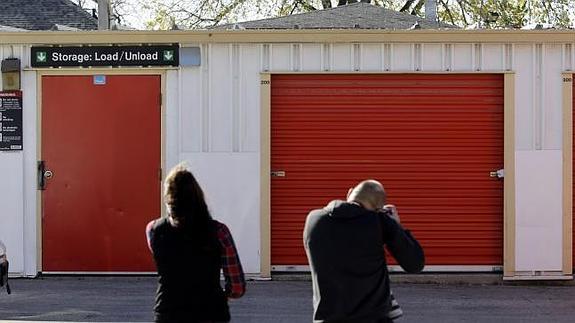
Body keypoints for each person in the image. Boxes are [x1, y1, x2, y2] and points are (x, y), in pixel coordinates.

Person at [303, 179, 425, 323]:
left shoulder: (313, 219)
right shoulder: (379, 222)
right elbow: (415, 264)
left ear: (349, 193)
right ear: (379, 209)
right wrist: (396, 226)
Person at [146, 164, 245, 323]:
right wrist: (224, 295)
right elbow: (237, 287)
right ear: (198, 196)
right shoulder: (220, 232)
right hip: (211, 312)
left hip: (169, 313)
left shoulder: (153, 230)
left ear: (168, 198)